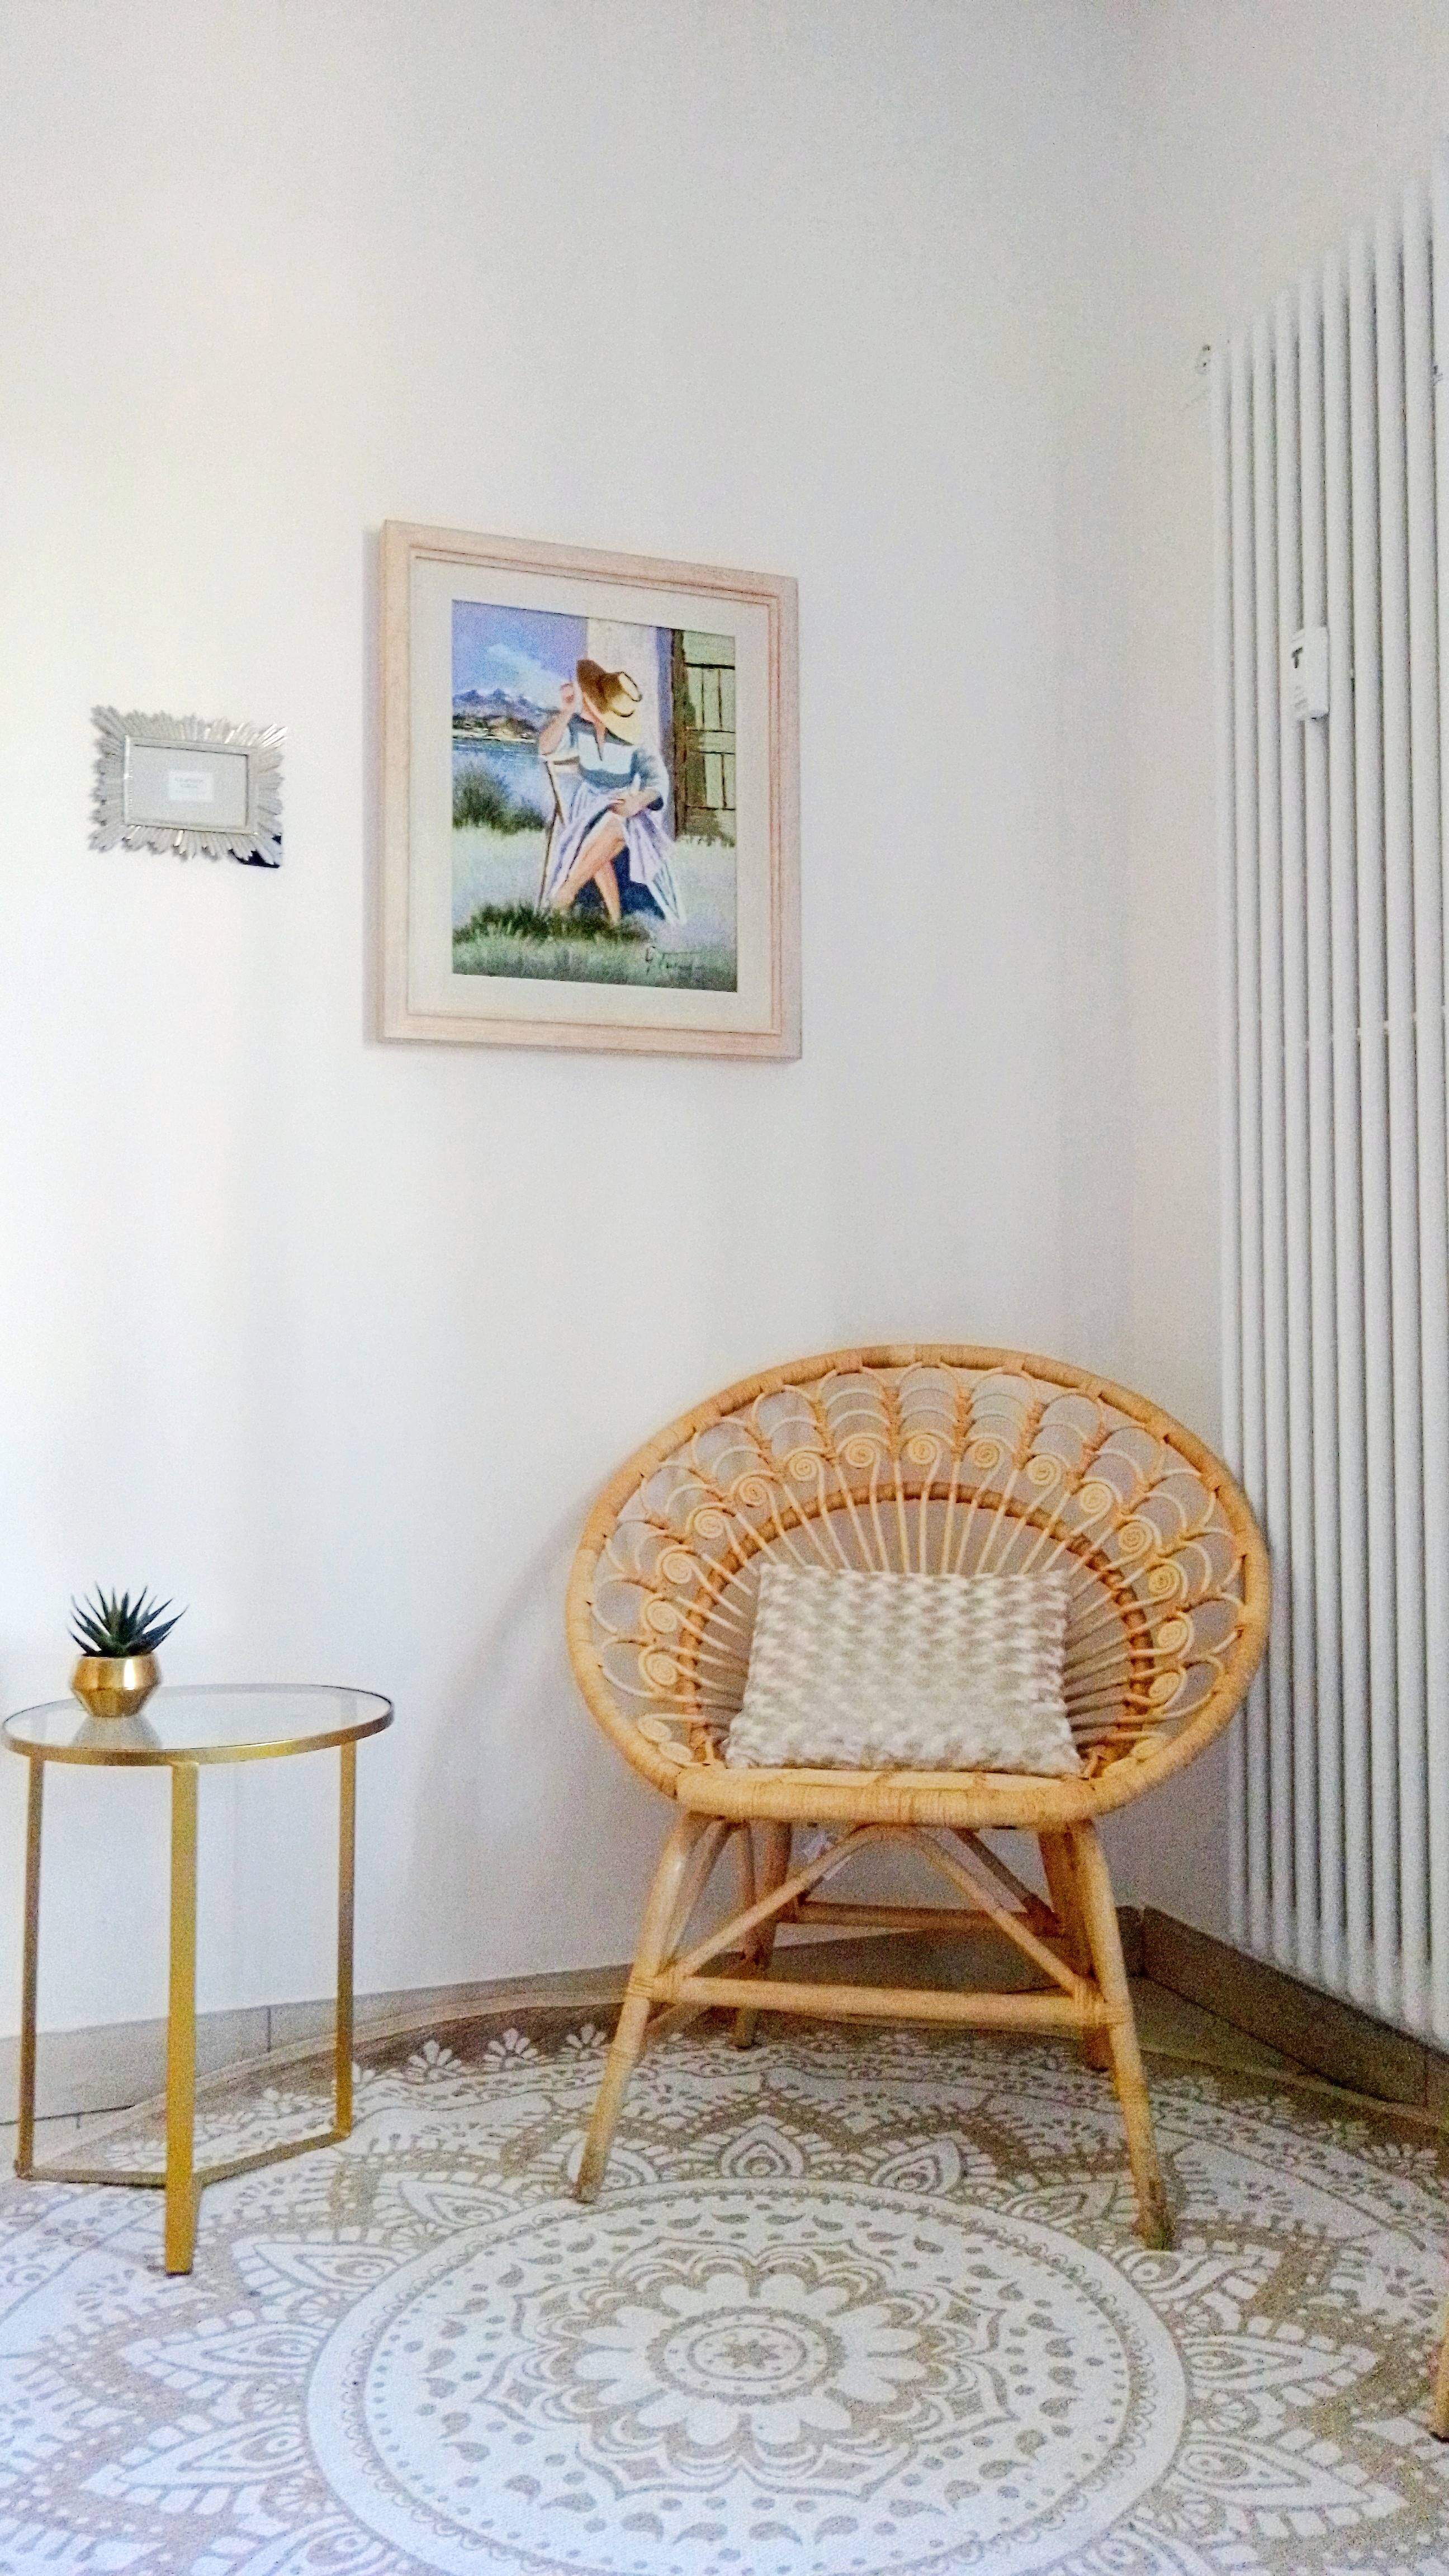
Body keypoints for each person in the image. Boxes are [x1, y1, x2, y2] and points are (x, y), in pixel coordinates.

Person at [538, 659, 684, 925]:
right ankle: (613, 921)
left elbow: (657, 780)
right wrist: (566, 712)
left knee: (616, 826)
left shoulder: (633, 742)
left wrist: (637, 801)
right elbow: (545, 749)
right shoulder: (578, 729)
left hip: (625, 806)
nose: (585, 702)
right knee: (601, 840)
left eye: (589, 701)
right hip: (587, 806)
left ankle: (565, 894)